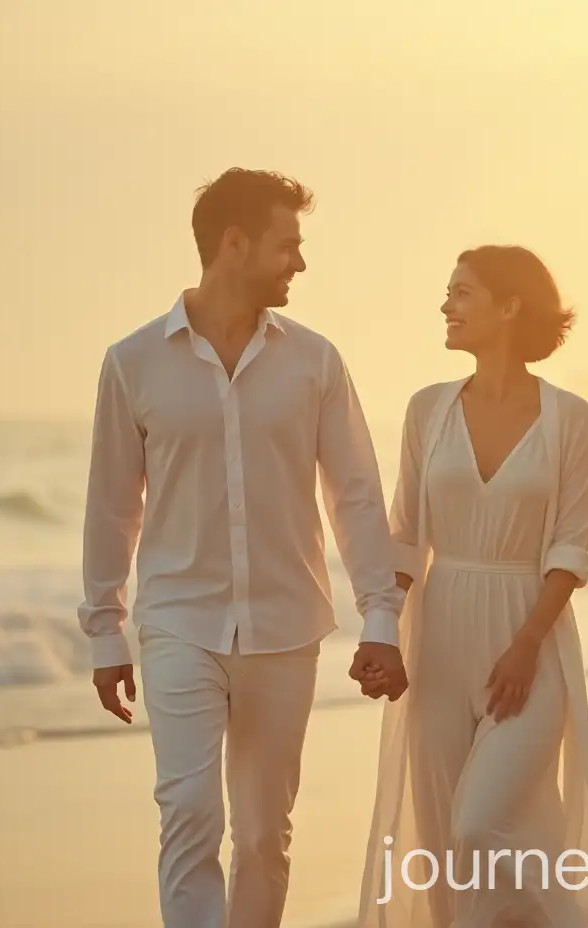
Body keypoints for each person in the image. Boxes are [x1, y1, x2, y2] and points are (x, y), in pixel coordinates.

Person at [77, 167, 408, 928]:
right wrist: (104, 627)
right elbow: (111, 505)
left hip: (285, 628)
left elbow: (354, 495)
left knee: (263, 835)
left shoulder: (316, 362)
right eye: (286, 244)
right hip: (178, 625)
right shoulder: (132, 363)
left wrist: (379, 616)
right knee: (189, 814)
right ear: (235, 244)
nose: (299, 262)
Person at [356, 245, 588, 927]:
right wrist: (383, 630)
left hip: (529, 639)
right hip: (438, 640)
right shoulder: (427, 411)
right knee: (447, 851)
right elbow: (406, 536)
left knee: (481, 823)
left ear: (510, 305)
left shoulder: (568, 418)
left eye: (462, 292)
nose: (446, 305)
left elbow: (570, 548)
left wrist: (527, 643)